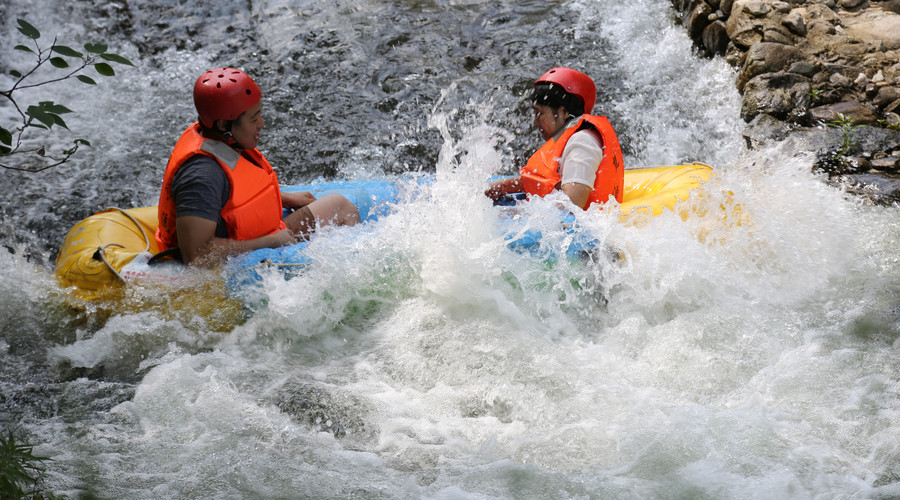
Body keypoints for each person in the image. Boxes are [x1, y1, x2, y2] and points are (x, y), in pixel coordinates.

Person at [155, 67, 360, 267]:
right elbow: (197, 256)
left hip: (246, 236)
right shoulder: (201, 176)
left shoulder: (218, 139)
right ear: (223, 125)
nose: (262, 123)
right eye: (254, 118)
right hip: (236, 261)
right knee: (341, 207)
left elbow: (233, 195)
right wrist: (269, 242)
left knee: (340, 206)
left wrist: (282, 197)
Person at [485, 67, 624, 209]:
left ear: (563, 111)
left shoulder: (582, 143)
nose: (535, 121)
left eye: (539, 113)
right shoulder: (573, 139)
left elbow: (572, 205)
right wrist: (504, 186)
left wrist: (515, 214)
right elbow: (547, 181)